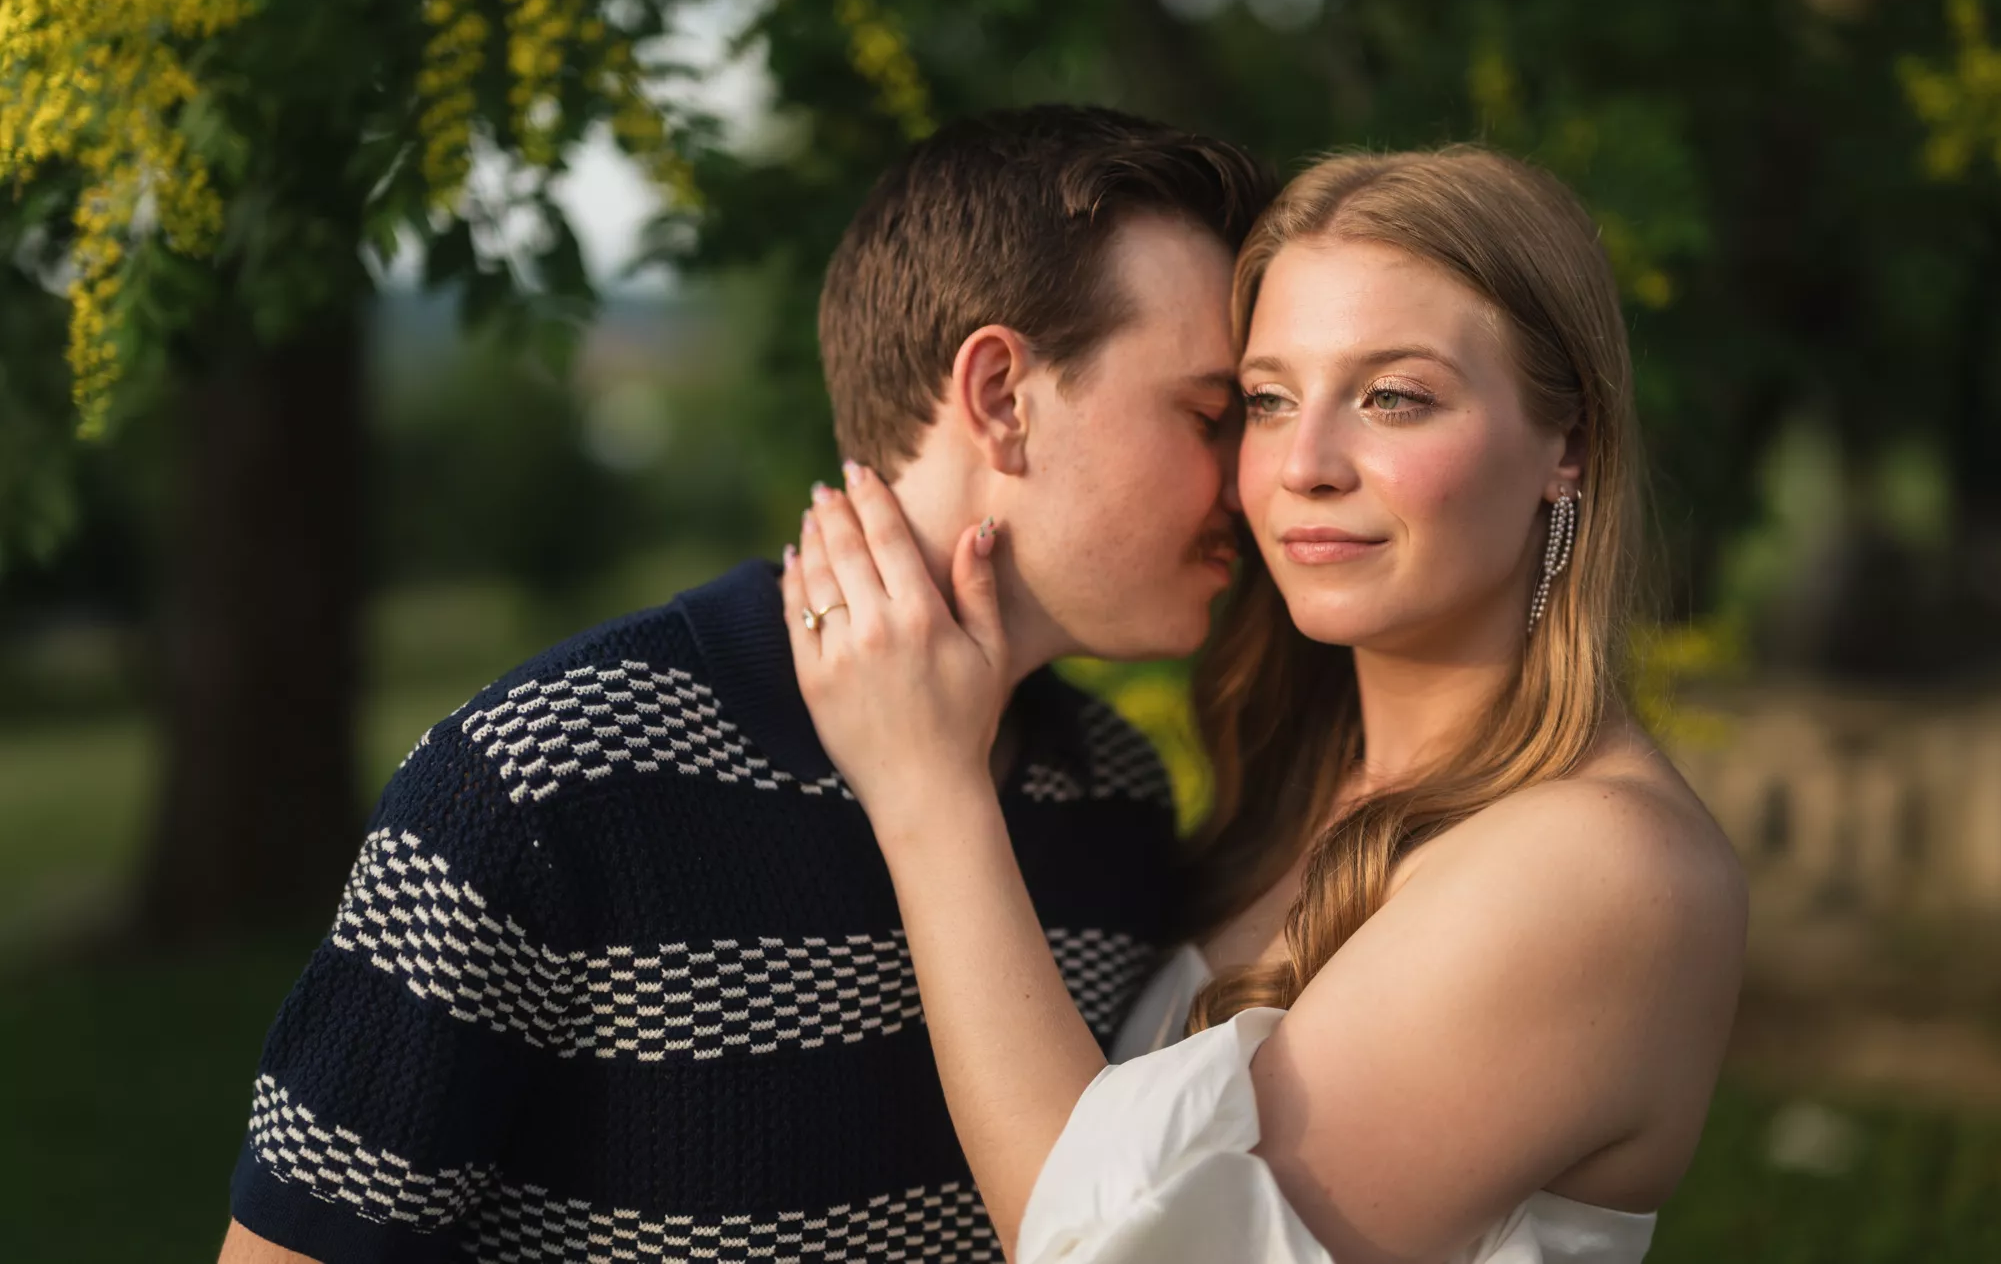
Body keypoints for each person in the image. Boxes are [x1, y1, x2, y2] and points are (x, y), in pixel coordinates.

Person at [217, 104, 1274, 1263]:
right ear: (1000, 399)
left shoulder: (1108, 796)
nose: (1257, 480)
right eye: (1213, 415)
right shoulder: (542, 785)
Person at [784, 146, 1750, 1264]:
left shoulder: (1599, 865)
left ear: (1566, 442)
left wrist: (930, 792)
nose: (1303, 464)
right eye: (1263, 400)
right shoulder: (1285, 784)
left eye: (1392, 397)